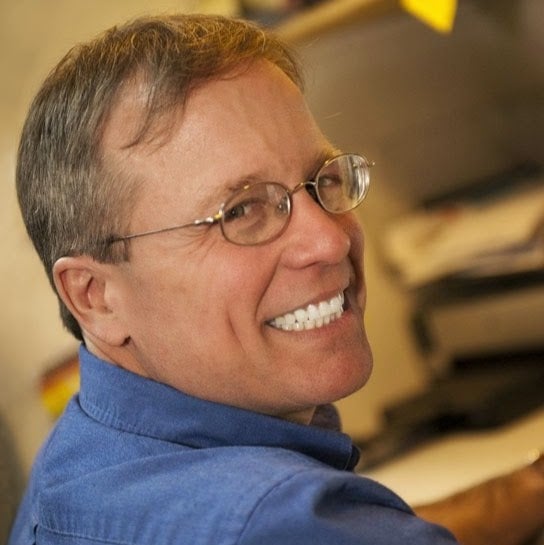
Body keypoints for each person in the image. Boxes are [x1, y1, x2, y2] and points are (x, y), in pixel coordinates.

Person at [8, 13, 544, 545]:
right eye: (242, 211)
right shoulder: (267, 521)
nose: (329, 241)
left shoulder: (85, 460)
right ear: (96, 297)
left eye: (323, 180)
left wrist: (528, 489)